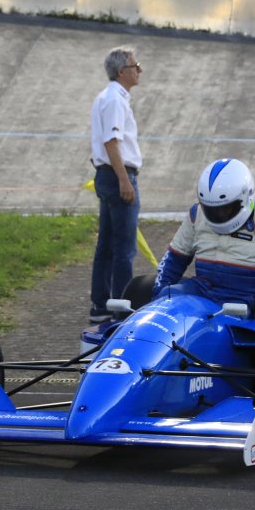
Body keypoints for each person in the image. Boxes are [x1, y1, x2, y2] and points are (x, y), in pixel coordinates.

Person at [150, 158, 255, 321]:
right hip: (200, 290)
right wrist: (159, 294)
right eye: (212, 209)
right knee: (166, 296)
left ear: (245, 198)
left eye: (225, 209)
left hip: (242, 300)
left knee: (216, 323)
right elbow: (175, 258)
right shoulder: (196, 213)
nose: (219, 214)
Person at [88, 47, 142, 324]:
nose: (139, 70)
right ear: (122, 71)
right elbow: (111, 141)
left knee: (107, 245)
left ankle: (101, 304)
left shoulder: (105, 97)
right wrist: (123, 179)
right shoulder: (115, 100)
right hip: (118, 175)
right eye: (135, 66)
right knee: (123, 248)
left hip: (106, 173)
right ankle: (121, 308)